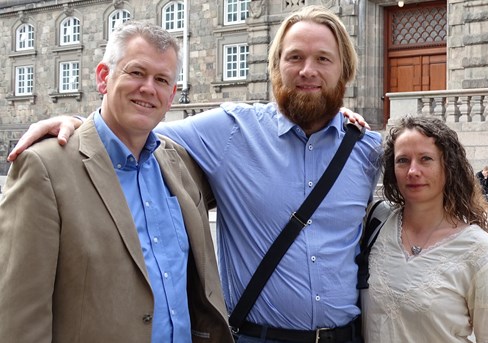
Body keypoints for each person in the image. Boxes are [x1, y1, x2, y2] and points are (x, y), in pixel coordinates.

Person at [7, 6, 381, 342]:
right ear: (276, 67)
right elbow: (133, 130)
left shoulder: (368, 149)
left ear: (345, 70)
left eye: (323, 59)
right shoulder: (232, 131)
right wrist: (74, 124)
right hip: (257, 336)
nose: (307, 70)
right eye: (294, 57)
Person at [0, 21, 232, 342]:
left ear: (171, 96)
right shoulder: (45, 167)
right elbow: (19, 316)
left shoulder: (180, 164)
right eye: (136, 72)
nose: (149, 88)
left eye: (162, 80)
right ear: (103, 77)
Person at [361, 116, 488, 342]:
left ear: (448, 167)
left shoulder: (478, 250)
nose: (412, 171)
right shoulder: (376, 222)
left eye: (426, 159)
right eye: (402, 161)